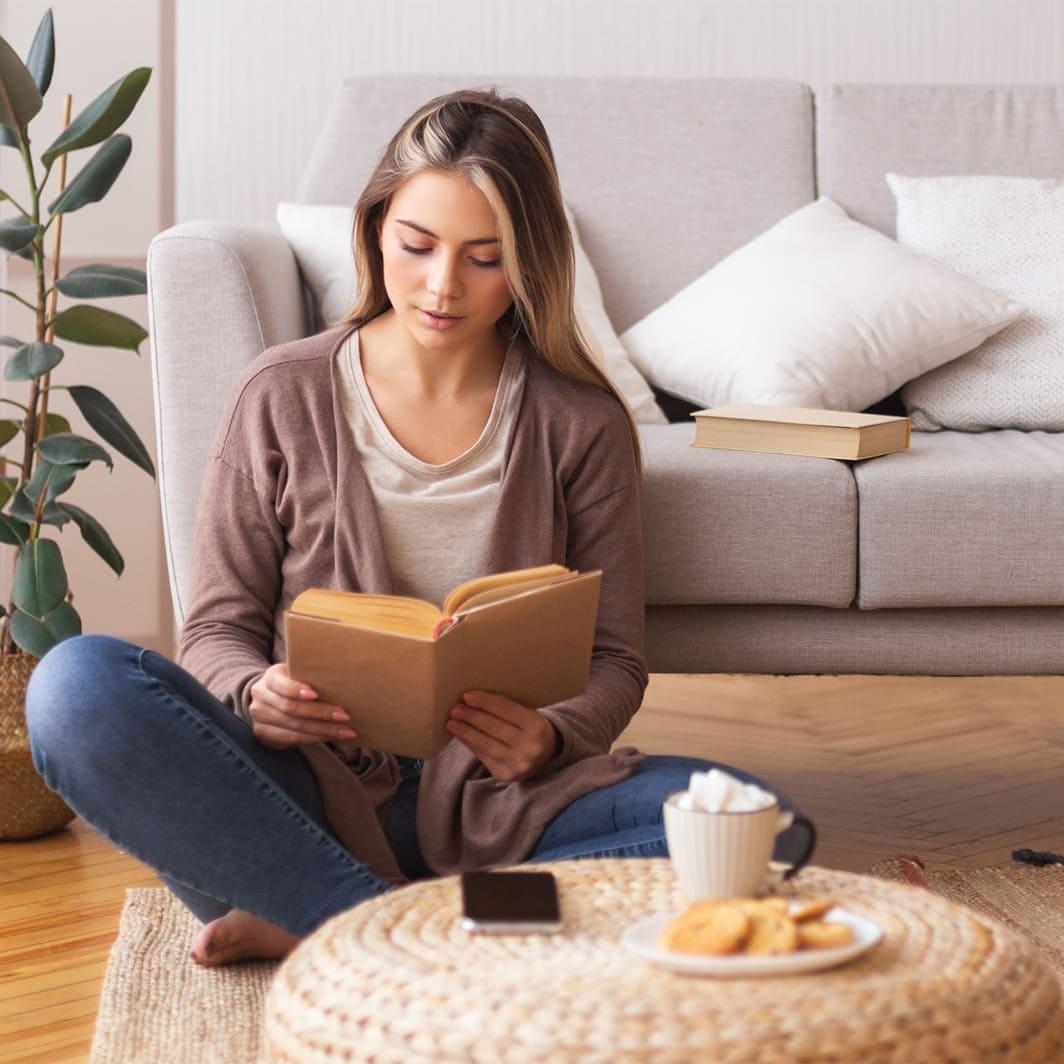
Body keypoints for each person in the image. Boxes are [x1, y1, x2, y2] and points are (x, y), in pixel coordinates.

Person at [24, 87, 806, 968]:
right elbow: (216, 631)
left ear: (529, 262)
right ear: (374, 230)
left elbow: (617, 660)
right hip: (304, 797)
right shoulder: (280, 394)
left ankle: (340, 923)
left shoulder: (580, 423)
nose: (441, 286)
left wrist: (553, 735)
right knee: (74, 689)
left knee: (761, 827)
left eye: (485, 257)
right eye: (417, 245)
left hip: (511, 802)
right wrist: (256, 691)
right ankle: (423, 921)